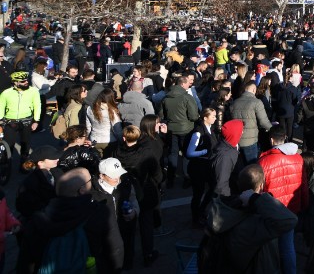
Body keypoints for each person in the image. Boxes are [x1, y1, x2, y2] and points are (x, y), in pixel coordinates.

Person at [16, 167, 124, 273]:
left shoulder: (38, 219)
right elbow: (115, 249)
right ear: (81, 190)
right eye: (90, 180)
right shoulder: (99, 212)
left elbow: (25, 261)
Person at [206, 164, 298, 273]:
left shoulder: (220, 208)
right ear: (261, 186)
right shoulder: (257, 222)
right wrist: (256, 199)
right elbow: (290, 220)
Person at [258, 125, 308, 274]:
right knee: (288, 246)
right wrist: (304, 205)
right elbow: (303, 184)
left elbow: (260, 189)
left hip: (272, 210)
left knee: (271, 247)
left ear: (272, 140)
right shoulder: (298, 158)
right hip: (291, 209)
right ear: (285, 137)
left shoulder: (264, 161)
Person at [113, 126, 161, 266]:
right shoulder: (146, 152)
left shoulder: (117, 151)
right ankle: (148, 254)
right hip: (145, 190)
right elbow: (156, 172)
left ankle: (128, 259)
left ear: (124, 138)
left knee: (128, 227)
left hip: (125, 191)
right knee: (146, 224)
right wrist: (156, 182)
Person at [160, 74, 199, 187]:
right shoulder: (187, 97)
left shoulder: (166, 97)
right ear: (182, 84)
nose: (189, 85)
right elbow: (193, 116)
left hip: (172, 129)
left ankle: (170, 179)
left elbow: (161, 114)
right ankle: (187, 177)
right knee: (187, 154)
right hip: (186, 129)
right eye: (188, 83)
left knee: (173, 153)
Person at [185, 108, 218, 226]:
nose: (215, 118)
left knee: (213, 187)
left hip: (207, 165)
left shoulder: (211, 129)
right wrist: (205, 151)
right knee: (198, 194)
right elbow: (189, 153)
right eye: (213, 116)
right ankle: (195, 219)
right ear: (205, 118)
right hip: (198, 167)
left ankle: (201, 210)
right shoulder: (198, 132)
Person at [0, 71, 41, 164]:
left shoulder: (33, 91)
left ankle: (24, 163)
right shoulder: (6, 93)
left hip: (26, 120)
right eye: (22, 81)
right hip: (10, 121)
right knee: (8, 145)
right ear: (15, 82)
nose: (26, 82)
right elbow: (1, 107)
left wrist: (36, 121)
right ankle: (6, 164)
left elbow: (37, 106)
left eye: (27, 80)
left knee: (25, 144)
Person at [15, 145, 62, 221]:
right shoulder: (31, 183)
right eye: (52, 158)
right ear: (40, 162)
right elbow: (26, 208)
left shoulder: (55, 171)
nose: (57, 159)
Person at [229, 81, 271, 164]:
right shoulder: (257, 102)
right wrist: (273, 129)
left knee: (240, 167)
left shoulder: (234, 102)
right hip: (250, 140)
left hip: (236, 139)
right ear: (254, 90)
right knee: (251, 167)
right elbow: (263, 122)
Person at [211, 119, 244, 198]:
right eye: (241, 130)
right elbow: (221, 185)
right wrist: (228, 200)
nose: (242, 132)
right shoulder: (225, 157)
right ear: (234, 134)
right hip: (229, 196)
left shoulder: (232, 146)